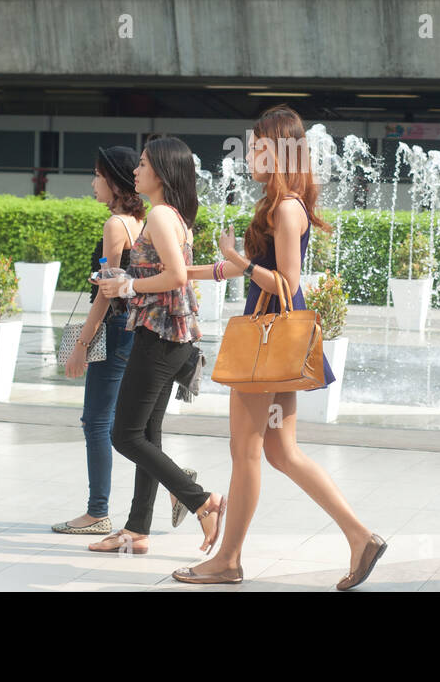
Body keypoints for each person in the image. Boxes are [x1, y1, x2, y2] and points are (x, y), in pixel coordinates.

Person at [171, 106, 386, 589]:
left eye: (259, 145)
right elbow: (242, 270)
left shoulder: (287, 207)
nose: (250, 152)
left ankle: (228, 560)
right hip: (272, 342)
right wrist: (184, 272)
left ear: (282, 150)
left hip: (267, 339)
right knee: (281, 452)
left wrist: (239, 263)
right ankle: (360, 536)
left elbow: (286, 282)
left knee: (245, 452)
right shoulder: (277, 205)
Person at [89, 137, 225, 555]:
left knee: (123, 435)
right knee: (146, 433)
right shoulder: (171, 216)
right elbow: (183, 270)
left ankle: (201, 500)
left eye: (143, 164)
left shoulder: (162, 216)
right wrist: (217, 270)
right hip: (172, 338)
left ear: (162, 173)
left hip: (160, 338)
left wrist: (126, 285)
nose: (135, 171)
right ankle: (136, 529)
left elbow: (175, 277)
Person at [51, 147, 146, 536]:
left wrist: (81, 346)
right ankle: (177, 485)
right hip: (136, 329)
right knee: (129, 425)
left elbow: (108, 292)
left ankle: (97, 512)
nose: (92, 183)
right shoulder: (143, 222)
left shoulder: (115, 226)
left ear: (115, 181)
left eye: (97, 175)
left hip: (113, 326)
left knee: (96, 422)